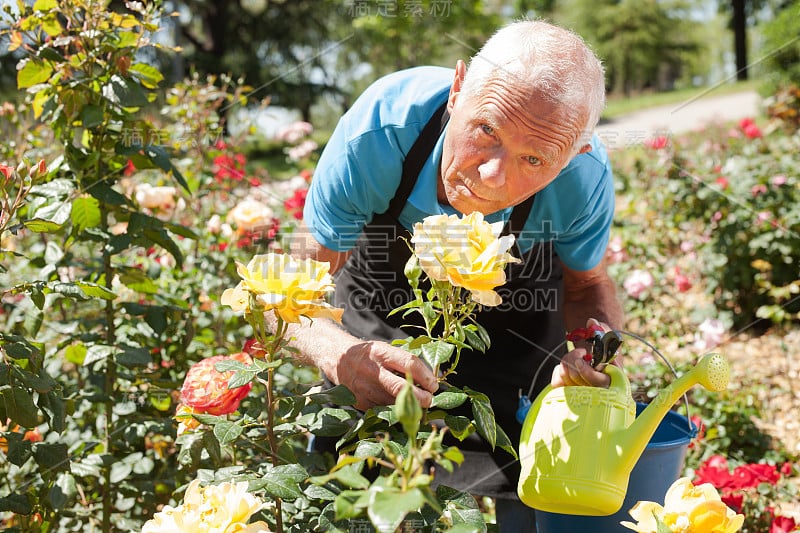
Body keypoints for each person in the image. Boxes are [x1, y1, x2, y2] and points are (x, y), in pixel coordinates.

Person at [286, 19, 625, 531]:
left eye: (533, 158)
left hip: (511, 326)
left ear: (571, 156)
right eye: (487, 130)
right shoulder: (381, 133)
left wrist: (593, 355)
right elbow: (289, 288)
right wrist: (339, 354)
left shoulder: (583, 180)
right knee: (350, 487)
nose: (492, 176)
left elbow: (587, 286)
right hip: (378, 303)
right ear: (458, 87)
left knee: (517, 488)